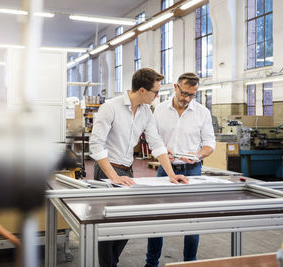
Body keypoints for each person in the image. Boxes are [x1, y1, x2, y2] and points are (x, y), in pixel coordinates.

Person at [90, 68, 189, 267]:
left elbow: (156, 143)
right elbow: (95, 144)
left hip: (127, 171)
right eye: (155, 92)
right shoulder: (110, 107)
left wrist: (171, 174)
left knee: (127, 225)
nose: (158, 96)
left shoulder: (145, 112)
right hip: (108, 170)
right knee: (109, 227)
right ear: (142, 90)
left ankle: (111, 263)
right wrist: (113, 177)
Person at [145, 72, 216, 267]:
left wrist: (197, 155)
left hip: (192, 170)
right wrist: (159, 153)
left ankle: (189, 263)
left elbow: (210, 143)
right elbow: (152, 139)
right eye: (184, 93)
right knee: (157, 219)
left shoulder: (202, 113)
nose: (186, 99)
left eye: (191, 95)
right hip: (165, 171)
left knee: (192, 220)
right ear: (175, 88)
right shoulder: (159, 110)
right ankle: (151, 263)